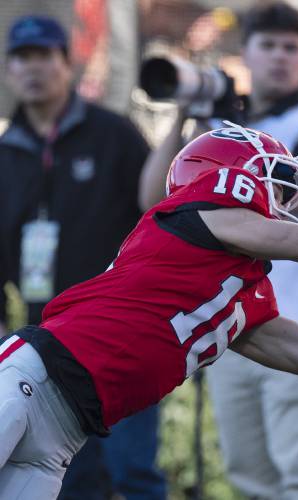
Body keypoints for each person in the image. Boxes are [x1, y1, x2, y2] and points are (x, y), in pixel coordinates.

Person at [0, 124, 298, 499]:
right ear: (230, 176)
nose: (285, 205)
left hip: (64, 434)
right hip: (29, 381)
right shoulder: (199, 213)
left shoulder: (240, 293)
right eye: (277, 185)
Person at [143, 3, 298, 498]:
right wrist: (185, 114)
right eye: (268, 45)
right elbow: (154, 199)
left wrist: (218, 172)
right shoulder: (218, 126)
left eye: (291, 47)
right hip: (225, 317)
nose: (280, 57)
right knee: (247, 473)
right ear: (247, 54)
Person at [0, 15, 166, 499]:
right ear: (9, 70)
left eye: (44, 57)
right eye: (21, 59)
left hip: (123, 336)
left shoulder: (114, 135)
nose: (33, 69)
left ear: (66, 65)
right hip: (45, 344)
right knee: (64, 477)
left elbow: (156, 213)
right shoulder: (5, 154)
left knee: (133, 470)